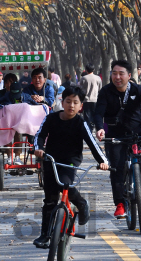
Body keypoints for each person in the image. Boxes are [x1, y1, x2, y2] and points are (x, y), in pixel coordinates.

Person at [32, 86, 109, 249]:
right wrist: (38, 148)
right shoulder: (51, 118)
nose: (71, 106)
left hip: (70, 161)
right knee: (50, 200)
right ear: (62, 102)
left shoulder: (81, 123)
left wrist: (103, 161)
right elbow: (39, 135)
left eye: (75, 102)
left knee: (64, 184)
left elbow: (93, 144)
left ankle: (81, 203)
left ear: (81, 105)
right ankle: (45, 234)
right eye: (68, 101)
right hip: (50, 159)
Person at [93, 59, 141, 219]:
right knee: (116, 168)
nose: (117, 77)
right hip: (115, 132)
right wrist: (100, 127)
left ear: (129, 75)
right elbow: (98, 112)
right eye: (114, 73)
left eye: (121, 74)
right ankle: (120, 204)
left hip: (138, 128)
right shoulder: (106, 91)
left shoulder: (138, 89)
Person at [80, 64, 102, 130]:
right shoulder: (98, 78)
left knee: (87, 116)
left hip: (86, 100)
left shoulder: (84, 78)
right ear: (94, 70)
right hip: (95, 99)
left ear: (86, 70)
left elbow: (81, 89)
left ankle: (88, 129)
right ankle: (94, 127)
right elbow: (100, 89)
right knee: (95, 114)